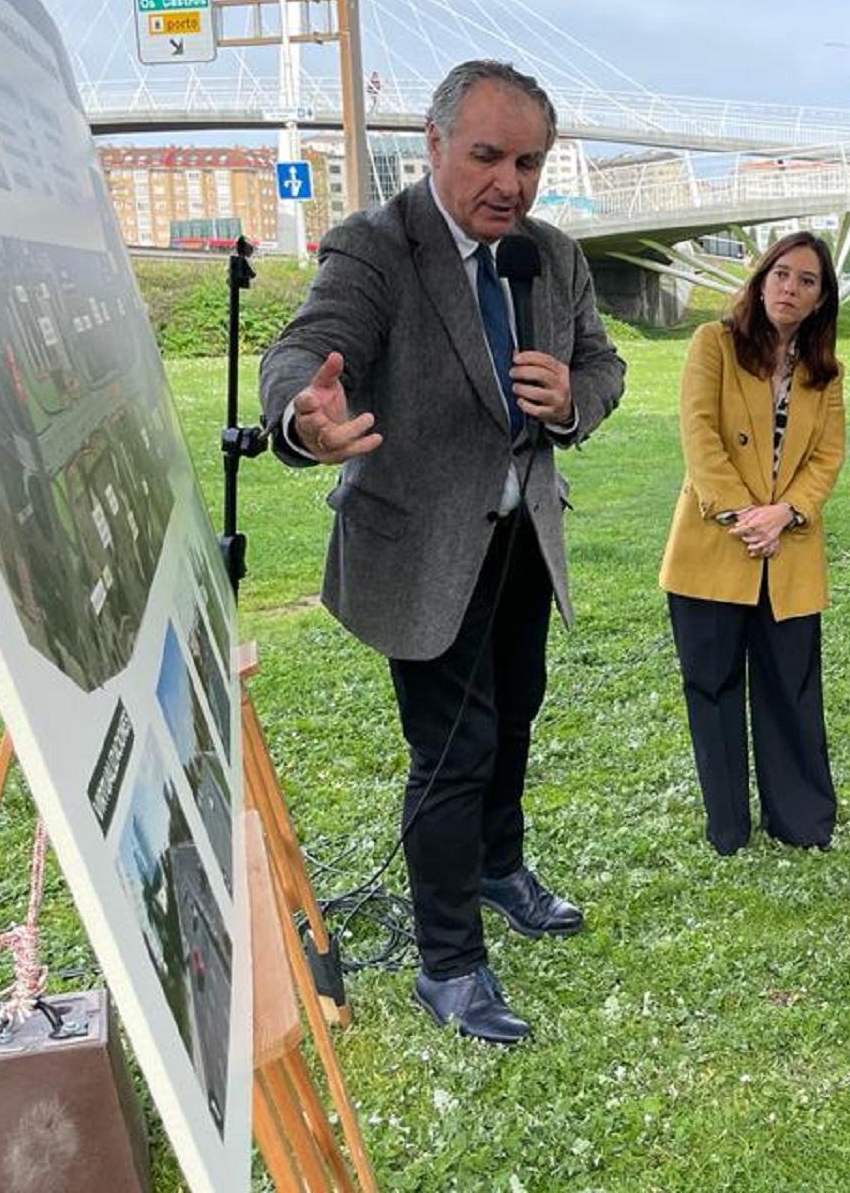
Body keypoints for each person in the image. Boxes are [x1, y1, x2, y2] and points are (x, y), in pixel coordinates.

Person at [260, 60, 626, 1042]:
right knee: (453, 751)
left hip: (520, 540)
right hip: (421, 551)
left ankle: (500, 868)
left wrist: (575, 399)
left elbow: (603, 361)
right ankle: (450, 965)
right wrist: (305, 414)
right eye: (487, 156)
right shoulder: (374, 249)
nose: (510, 181)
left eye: (529, 161)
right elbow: (303, 350)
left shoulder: (551, 256)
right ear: (432, 145)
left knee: (512, 724)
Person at [660, 233, 846, 855]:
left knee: (790, 689)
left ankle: (799, 821)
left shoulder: (826, 371)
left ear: (821, 299)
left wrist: (786, 514)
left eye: (807, 281)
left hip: (788, 549)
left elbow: (827, 456)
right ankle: (729, 828)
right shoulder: (712, 344)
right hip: (716, 544)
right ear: (762, 279)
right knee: (712, 688)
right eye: (782, 275)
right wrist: (746, 515)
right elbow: (699, 435)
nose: (790, 289)